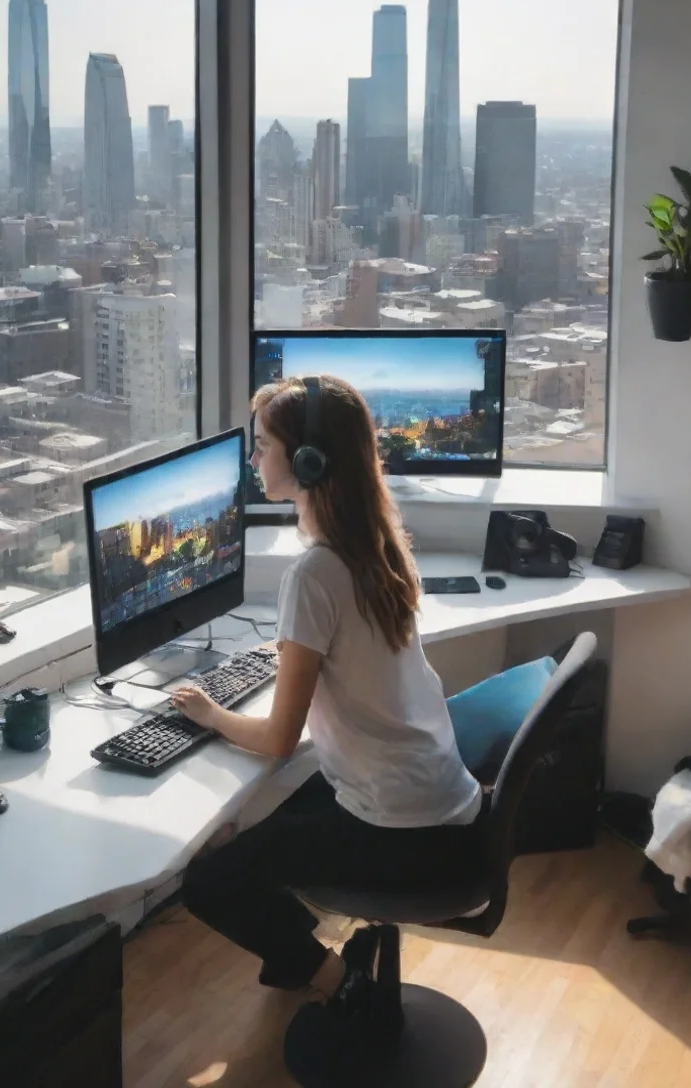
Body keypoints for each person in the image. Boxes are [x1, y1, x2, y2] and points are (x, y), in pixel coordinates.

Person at [175, 374, 484, 1003]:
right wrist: (291, 654)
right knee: (266, 820)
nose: (254, 458)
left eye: (262, 444)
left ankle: (342, 984)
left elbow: (279, 740)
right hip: (440, 802)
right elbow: (347, 652)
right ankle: (309, 952)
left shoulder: (315, 572)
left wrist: (210, 714)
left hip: (399, 832)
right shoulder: (375, 543)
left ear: (308, 461)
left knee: (207, 882)